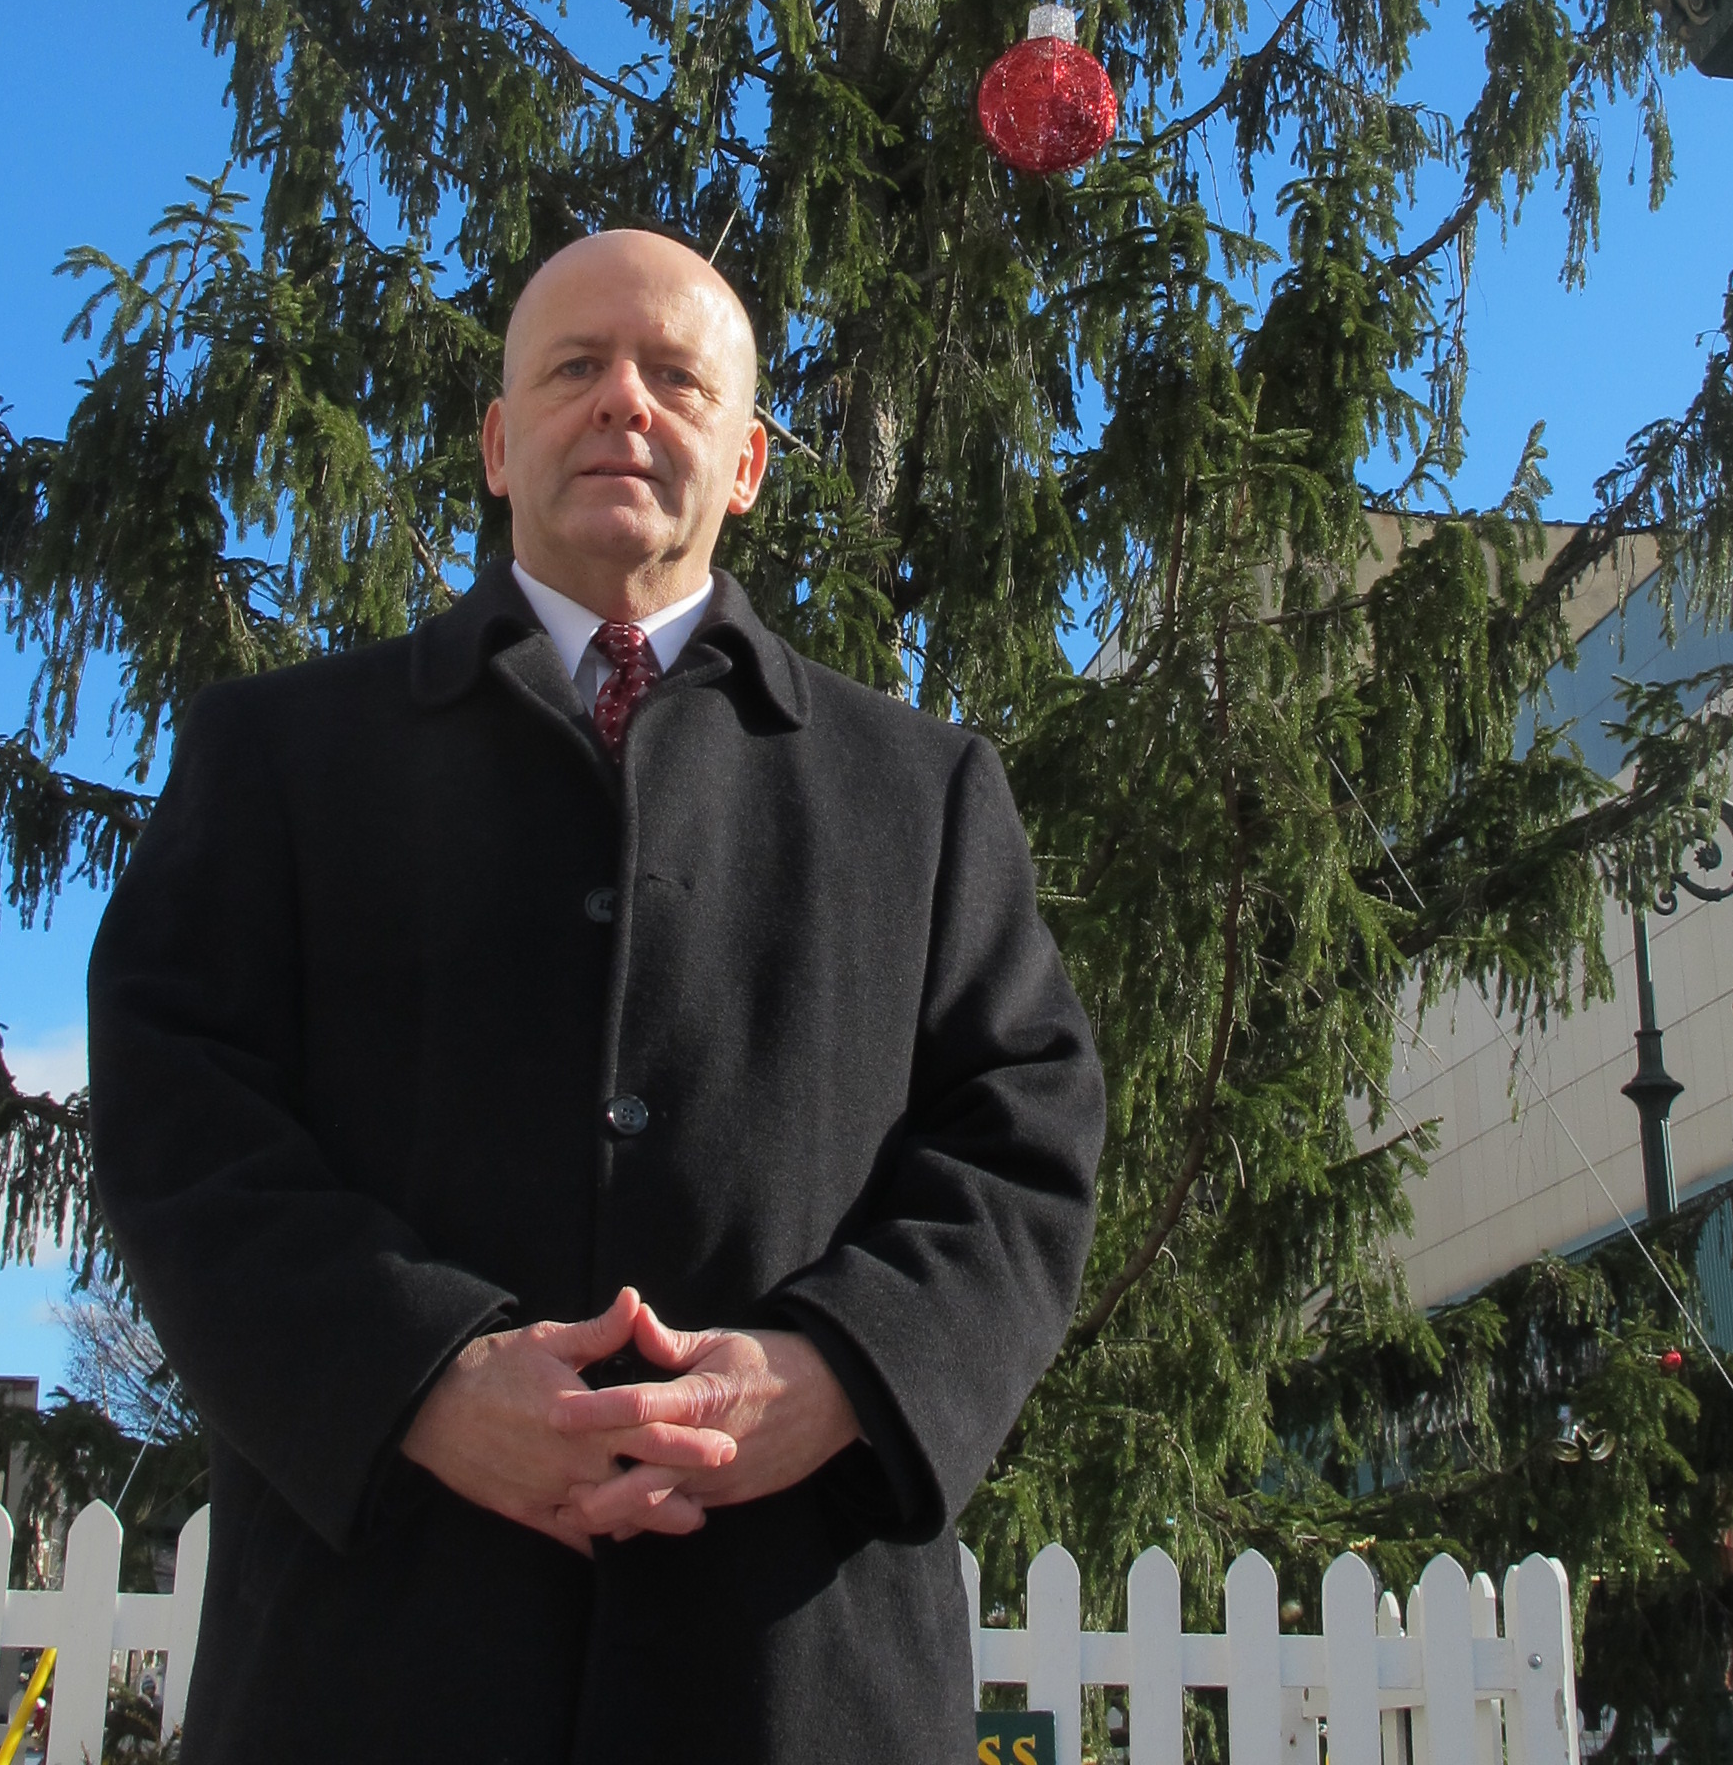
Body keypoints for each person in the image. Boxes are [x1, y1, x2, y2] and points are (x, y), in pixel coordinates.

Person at [88, 228, 1105, 1762]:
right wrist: (416, 1376)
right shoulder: (277, 759)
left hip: (797, 1676)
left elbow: (1025, 1140)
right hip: (367, 1664)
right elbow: (179, 1117)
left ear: (748, 462)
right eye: (575, 368)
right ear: (500, 444)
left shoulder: (929, 794)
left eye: (676, 377)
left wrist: (841, 1374)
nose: (623, 404)